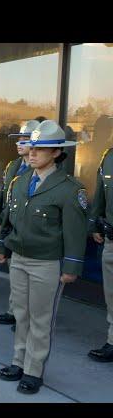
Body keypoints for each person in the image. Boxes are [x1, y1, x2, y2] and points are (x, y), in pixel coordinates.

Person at [0, 120, 87, 394]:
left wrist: (71, 266)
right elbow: (8, 219)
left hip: (47, 262)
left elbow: (75, 232)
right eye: (32, 147)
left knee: (40, 319)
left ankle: (34, 370)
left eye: (40, 149)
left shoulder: (70, 189)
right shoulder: (21, 180)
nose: (32, 153)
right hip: (20, 259)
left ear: (57, 153)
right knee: (21, 314)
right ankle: (18, 361)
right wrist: (3, 246)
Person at [0, 120, 39, 327]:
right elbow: (5, 196)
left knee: (30, 281)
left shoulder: (40, 169)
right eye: (18, 139)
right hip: (10, 224)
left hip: (30, 230)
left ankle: (25, 316)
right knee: (15, 273)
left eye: (25, 139)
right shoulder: (13, 166)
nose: (19, 143)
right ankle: (14, 310)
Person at [88, 139, 113, 363]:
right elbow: (100, 196)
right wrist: (94, 224)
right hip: (111, 240)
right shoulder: (109, 158)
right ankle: (112, 341)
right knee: (112, 295)